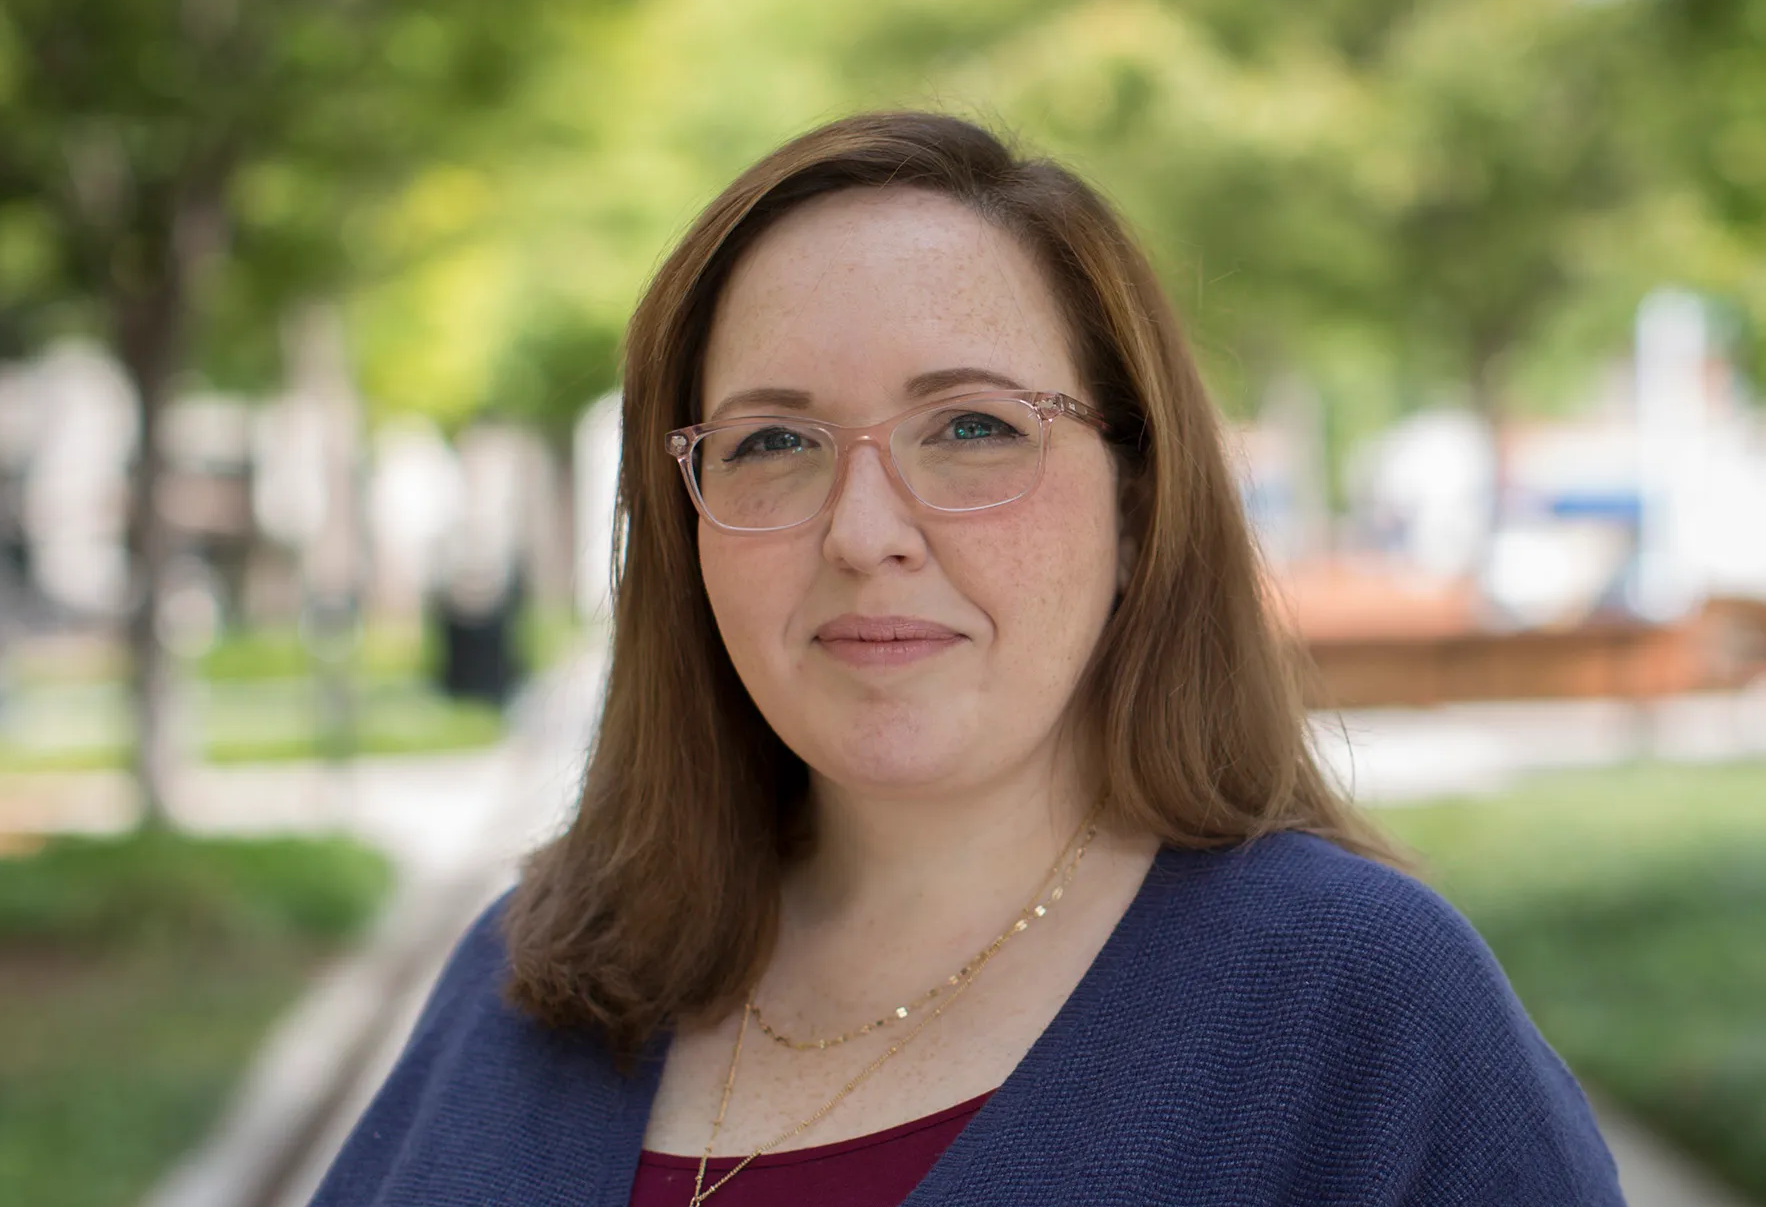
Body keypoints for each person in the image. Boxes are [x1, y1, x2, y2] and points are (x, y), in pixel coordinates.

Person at [309, 112, 1627, 1206]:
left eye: (972, 428)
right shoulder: (533, 976)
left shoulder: (1358, 1010)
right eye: (773, 444)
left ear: (1137, 504)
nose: (863, 533)